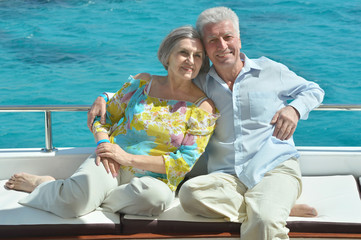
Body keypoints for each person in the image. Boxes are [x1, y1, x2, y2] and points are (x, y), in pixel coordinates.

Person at [87, 7, 324, 239]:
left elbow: (313, 90)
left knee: (264, 221)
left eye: (228, 37)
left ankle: (268, 209)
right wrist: (106, 97)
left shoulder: (270, 70)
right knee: (190, 194)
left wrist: (294, 109)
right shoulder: (199, 83)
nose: (222, 46)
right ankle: (270, 206)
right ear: (205, 47)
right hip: (227, 176)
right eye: (212, 40)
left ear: (239, 39)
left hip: (273, 166)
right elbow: (159, 86)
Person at [4, 26, 218, 219]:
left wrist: (127, 158)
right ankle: (45, 185)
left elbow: (183, 163)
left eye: (198, 56)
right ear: (167, 56)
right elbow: (103, 118)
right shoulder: (143, 82)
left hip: (154, 178)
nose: (191, 60)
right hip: (110, 161)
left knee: (157, 200)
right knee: (72, 206)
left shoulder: (203, 107)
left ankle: (76, 194)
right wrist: (104, 146)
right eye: (184, 53)